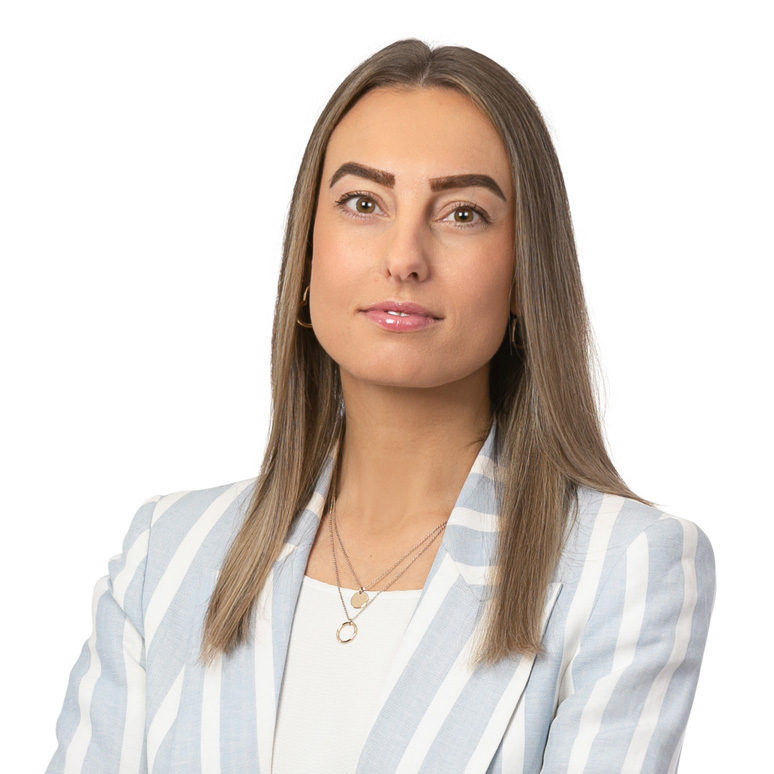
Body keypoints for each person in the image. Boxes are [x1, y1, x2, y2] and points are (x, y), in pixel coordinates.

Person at [47, 40, 714, 773]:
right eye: (363, 203)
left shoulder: (623, 567)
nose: (404, 258)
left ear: (527, 273)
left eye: (462, 213)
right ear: (308, 254)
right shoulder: (168, 554)